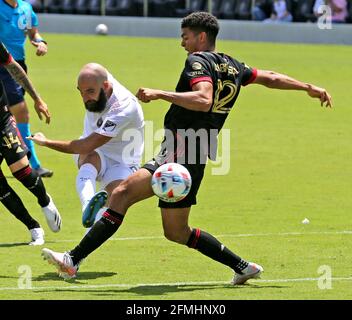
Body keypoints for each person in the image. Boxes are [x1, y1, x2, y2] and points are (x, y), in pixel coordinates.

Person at [36, 12, 332, 284]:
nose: (182, 43)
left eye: (185, 36)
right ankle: (243, 267)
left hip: (181, 148)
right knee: (176, 231)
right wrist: (307, 87)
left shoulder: (198, 62)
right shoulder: (231, 64)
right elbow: (270, 77)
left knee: (123, 193)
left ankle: (72, 259)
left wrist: (160, 93)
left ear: (201, 37)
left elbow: (203, 99)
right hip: (195, 152)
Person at [28, 63, 144, 230]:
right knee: (90, 156)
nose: (85, 98)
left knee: (114, 202)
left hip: (124, 160)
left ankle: (85, 239)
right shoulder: (98, 80)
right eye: (81, 92)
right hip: (95, 150)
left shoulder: (124, 107)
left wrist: (46, 142)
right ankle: (87, 206)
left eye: (90, 92)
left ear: (106, 86)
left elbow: (83, 145)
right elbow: (87, 148)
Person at [0, 41, 62, 245]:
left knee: (21, 171)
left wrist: (37, 98)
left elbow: (13, 67)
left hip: (1, 120)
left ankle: (45, 201)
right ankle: (33, 227)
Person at [0, 0, 53, 177]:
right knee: (21, 112)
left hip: (19, 66)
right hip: (3, 66)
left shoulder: (25, 8)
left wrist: (40, 42)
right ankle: (33, 164)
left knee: (10, 115)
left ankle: (18, 160)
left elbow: (33, 33)